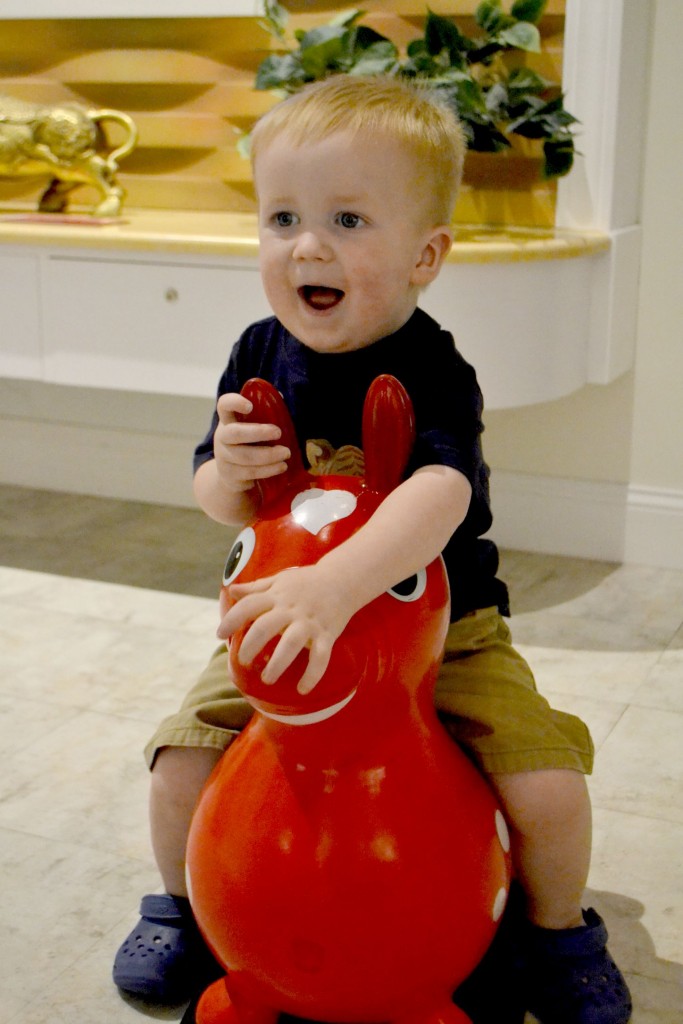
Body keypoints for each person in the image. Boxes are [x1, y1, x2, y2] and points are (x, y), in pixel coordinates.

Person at [112, 76, 631, 1024]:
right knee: (177, 759)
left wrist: (337, 584)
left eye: (348, 219)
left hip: (447, 630)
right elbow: (213, 495)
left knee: (545, 778)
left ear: (427, 253)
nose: (307, 244)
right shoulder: (257, 351)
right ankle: (184, 908)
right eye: (282, 217)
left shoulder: (431, 367)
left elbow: (442, 492)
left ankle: (561, 933)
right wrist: (226, 470)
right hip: (283, 629)